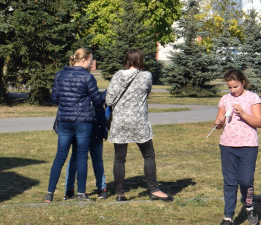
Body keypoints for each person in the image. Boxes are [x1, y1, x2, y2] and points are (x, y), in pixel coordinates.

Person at [106, 49, 171, 202]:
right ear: (140, 60)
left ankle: (120, 193)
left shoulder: (117, 76)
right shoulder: (146, 76)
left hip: (120, 121)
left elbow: (109, 100)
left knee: (119, 158)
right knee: (148, 155)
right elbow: (146, 92)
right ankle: (154, 189)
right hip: (139, 121)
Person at [46, 48, 105, 202]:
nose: (92, 63)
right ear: (84, 60)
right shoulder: (87, 77)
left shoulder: (60, 74)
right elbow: (97, 101)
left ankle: (49, 194)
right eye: (91, 60)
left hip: (65, 120)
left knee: (60, 157)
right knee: (81, 156)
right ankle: (81, 194)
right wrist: (103, 97)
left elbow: (54, 98)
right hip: (83, 121)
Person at [214, 68, 261, 225]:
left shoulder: (252, 98)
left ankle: (249, 206)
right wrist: (218, 123)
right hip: (227, 145)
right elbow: (219, 122)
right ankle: (228, 217)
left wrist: (242, 113)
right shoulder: (225, 99)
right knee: (229, 182)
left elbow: (259, 122)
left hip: (248, 145)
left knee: (246, 181)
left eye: (235, 86)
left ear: (243, 82)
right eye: (230, 87)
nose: (233, 90)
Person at [64, 99, 110, 200]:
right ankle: (69, 189)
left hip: (95, 129)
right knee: (75, 160)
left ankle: (102, 188)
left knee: (97, 160)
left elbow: (101, 106)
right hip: (80, 130)